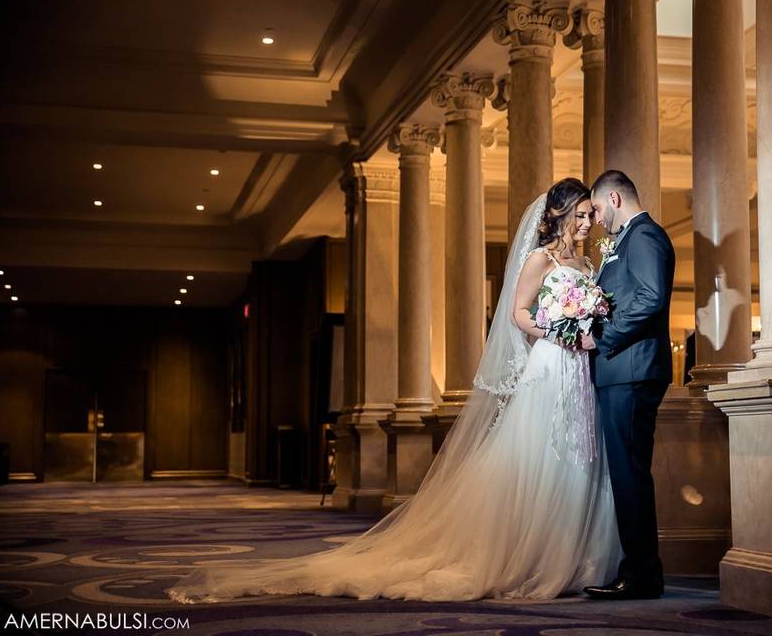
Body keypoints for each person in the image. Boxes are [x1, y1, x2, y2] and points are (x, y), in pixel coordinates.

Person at [166, 178, 622, 603]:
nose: (585, 225)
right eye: (579, 216)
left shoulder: (584, 263)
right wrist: (558, 331)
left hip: (580, 369)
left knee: (579, 457)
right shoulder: (540, 259)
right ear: (558, 214)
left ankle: (572, 557)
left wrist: (588, 322)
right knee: (540, 456)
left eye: (588, 216)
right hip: (549, 363)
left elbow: (589, 309)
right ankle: (529, 557)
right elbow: (518, 314)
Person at [580, 170, 675, 600]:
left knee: (630, 475)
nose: (597, 219)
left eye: (597, 209)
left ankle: (641, 575)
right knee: (625, 474)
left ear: (614, 199)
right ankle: (639, 569)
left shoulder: (645, 236)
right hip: (621, 373)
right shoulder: (627, 239)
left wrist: (605, 336)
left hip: (632, 371)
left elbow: (651, 296)